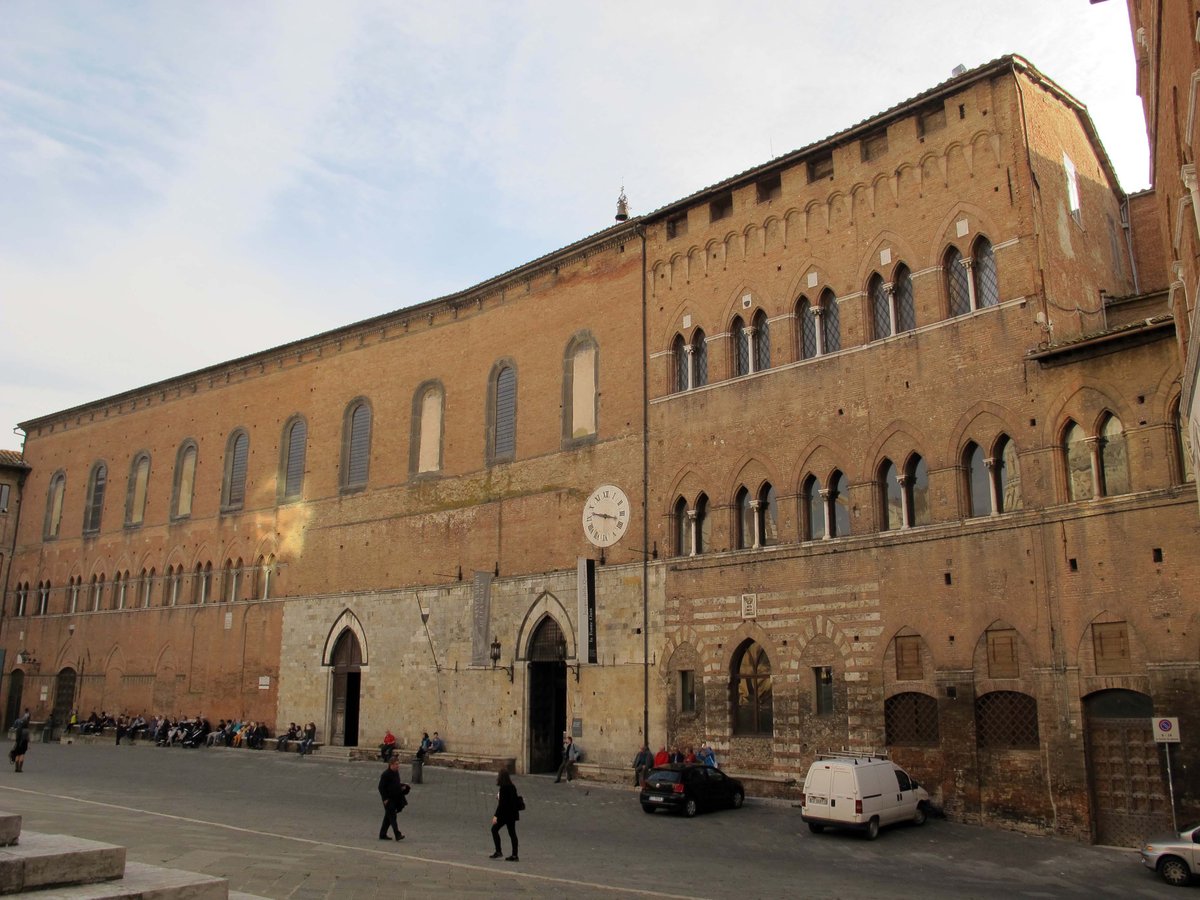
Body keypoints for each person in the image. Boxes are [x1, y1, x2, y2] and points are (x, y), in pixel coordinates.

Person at [489, 767, 520, 861]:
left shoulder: (503, 788)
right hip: (512, 814)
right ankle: (515, 855)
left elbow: (502, 805)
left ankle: (498, 851)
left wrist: (495, 816)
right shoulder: (512, 786)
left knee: (494, 829)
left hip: (505, 815)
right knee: (512, 834)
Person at [376, 757, 409, 840]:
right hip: (389, 800)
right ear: (391, 765)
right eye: (396, 764)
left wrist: (402, 787)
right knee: (392, 817)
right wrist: (385, 799)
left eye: (398, 764)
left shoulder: (396, 773)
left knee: (388, 817)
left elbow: (395, 784)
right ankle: (397, 834)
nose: (398, 766)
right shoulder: (385, 774)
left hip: (395, 798)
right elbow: (381, 787)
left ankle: (382, 834)